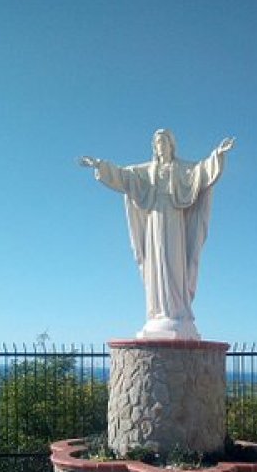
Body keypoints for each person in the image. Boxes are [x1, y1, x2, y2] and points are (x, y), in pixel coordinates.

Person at [79, 129, 235, 339]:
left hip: (174, 221)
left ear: (171, 145)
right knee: (155, 265)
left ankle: (177, 311)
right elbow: (124, 176)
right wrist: (100, 165)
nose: (160, 146)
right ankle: (159, 311)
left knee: (174, 264)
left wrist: (218, 154)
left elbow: (202, 171)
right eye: (157, 142)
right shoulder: (147, 171)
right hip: (154, 221)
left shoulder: (181, 169)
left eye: (163, 142)